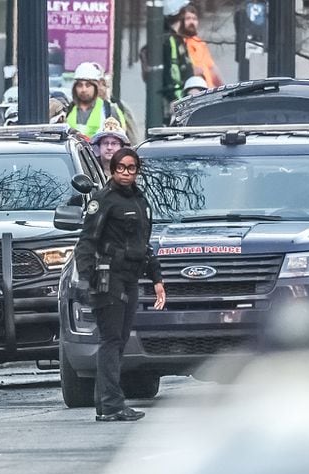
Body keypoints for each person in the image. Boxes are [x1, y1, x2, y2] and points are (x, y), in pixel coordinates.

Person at [73, 148, 166, 422]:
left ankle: (106, 404)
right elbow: (86, 242)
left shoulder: (141, 200)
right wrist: (87, 278)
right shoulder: (103, 200)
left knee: (118, 341)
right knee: (111, 340)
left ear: (137, 170)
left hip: (131, 277)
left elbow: (144, 244)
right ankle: (112, 404)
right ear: (112, 170)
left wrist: (157, 278)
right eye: (121, 168)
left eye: (131, 167)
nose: (126, 172)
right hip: (108, 277)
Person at [66, 62, 126, 138]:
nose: (83, 89)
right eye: (80, 85)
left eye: (88, 85)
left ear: (95, 87)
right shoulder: (68, 109)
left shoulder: (109, 110)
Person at [162, 0, 194, 117]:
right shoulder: (169, 41)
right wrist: (173, 99)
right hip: (175, 103)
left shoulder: (176, 39)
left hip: (181, 100)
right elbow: (168, 71)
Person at [181, 4, 223, 88]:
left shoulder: (199, 42)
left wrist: (223, 88)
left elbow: (211, 68)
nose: (192, 22)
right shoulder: (179, 43)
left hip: (207, 92)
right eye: (188, 19)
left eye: (194, 19)